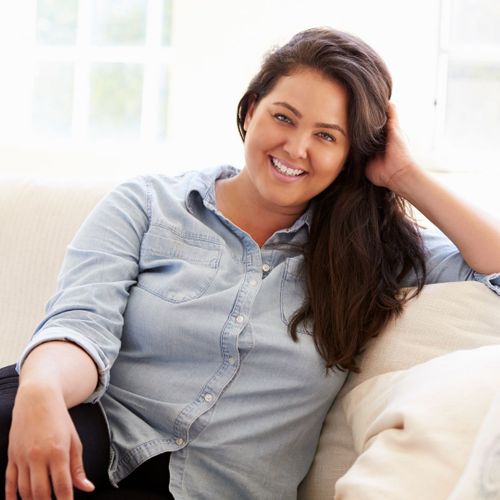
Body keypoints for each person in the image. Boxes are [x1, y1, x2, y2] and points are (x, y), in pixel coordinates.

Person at [1, 26, 500, 499]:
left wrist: (405, 174)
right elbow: (83, 323)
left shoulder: (373, 254)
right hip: (87, 435)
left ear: (352, 154)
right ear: (251, 109)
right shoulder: (149, 204)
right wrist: (41, 390)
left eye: (327, 136)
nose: (296, 147)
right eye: (283, 117)